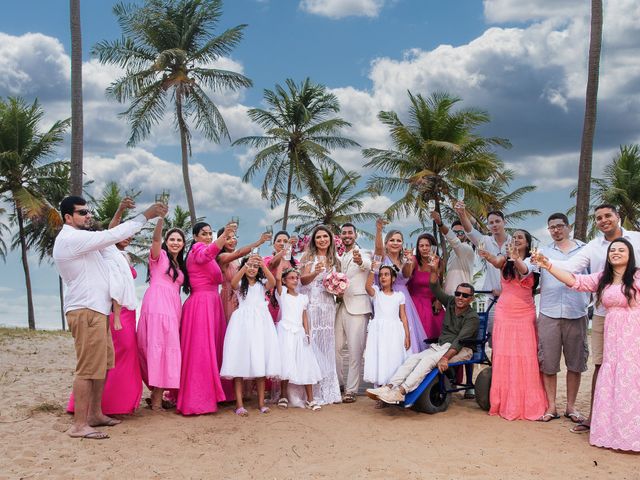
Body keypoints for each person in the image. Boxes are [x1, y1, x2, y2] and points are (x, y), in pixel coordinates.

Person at [53, 195, 166, 439]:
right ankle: (79, 425)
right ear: (68, 217)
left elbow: (109, 238)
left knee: (102, 366)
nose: (88, 215)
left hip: (98, 311)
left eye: (88, 211)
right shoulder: (72, 238)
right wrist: (146, 215)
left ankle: (95, 414)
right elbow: (111, 235)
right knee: (87, 369)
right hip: (85, 310)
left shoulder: (84, 240)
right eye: (82, 212)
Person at [534, 238, 640, 451]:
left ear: (630, 254)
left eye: (621, 250)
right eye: (613, 250)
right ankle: (616, 433)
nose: (616, 253)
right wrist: (548, 266)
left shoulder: (637, 276)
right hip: (613, 334)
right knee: (613, 376)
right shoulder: (603, 278)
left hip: (634, 334)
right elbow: (574, 280)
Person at [549, 204, 640, 433]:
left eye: (608, 215)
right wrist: (545, 263)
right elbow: (572, 272)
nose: (603, 220)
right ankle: (596, 417)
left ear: (618, 216)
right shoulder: (595, 252)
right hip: (604, 316)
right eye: (598, 218)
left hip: (635, 315)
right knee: (603, 366)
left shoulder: (637, 240)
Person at [367, 256, 479, 405]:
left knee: (427, 361)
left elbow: (459, 342)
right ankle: (389, 387)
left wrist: (445, 358)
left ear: (471, 299)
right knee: (413, 359)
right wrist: (433, 270)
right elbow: (434, 288)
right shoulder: (451, 302)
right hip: (441, 346)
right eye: (458, 294)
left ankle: (400, 392)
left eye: (465, 295)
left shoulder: (472, 317)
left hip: (461, 349)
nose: (460, 297)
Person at [67, 199, 143, 416]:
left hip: (129, 310)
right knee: (112, 356)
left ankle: (118, 404)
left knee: (121, 356)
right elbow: (114, 285)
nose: (127, 238)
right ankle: (100, 406)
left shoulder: (121, 256)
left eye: (130, 236)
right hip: (114, 310)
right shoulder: (104, 249)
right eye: (123, 234)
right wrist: (119, 210)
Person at [479, 229, 548, 421]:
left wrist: (516, 258)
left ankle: (527, 403)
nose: (516, 239)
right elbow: (496, 261)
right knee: (503, 354)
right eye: (514, 237)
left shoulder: (533, 260)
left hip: (524, 312)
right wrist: (487, 255)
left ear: (527, 242)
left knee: (526, 354)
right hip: (504, 312)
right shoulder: (505, 260)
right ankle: (504, 401)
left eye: (520, 237)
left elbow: (524, 271)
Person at [177, 222, 236, 415]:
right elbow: (207, 254)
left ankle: (218, 393)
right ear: (194, 237)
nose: (208, 237)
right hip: (201, 304)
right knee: (201, 351)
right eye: (204, 234)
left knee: (214, 348)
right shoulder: (197, 249)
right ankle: (198, 399)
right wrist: (224, 235)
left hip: (212, 304)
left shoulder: (208, 254)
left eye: (210, 234)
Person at [536, 213, 590, 423]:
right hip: (548, 312)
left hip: (577, 311)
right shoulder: (543, 251)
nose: (556, 230)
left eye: (560, 226)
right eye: (552, 227)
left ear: (568, 227)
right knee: (548, 363)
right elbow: (527, 270)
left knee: (575, 363)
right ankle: (551, 407)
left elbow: (596, 277)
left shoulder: (585, 249)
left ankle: (571, 407)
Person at [136, 217, 188, 411]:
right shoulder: (159, 258)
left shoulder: (180, 266)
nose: (175, 242)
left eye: (179, 240)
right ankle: (156, 401)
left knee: (167, 350)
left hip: (173, 308)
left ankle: (158, 397)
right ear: (167, 242)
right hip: (156, 306)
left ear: (183, 245)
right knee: (155, 347)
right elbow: (155, 240)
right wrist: (160, 221)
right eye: (172, 239)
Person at [220, 255, 281, 416]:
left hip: (261, 324)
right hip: (242, 324)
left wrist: (263, 265)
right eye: (249, 266)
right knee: (239, 362)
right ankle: (239, 405)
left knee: (260, 362)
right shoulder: (241, 284)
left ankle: (261, 403)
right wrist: (244, 267)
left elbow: (273, 283)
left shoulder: (261, 285)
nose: (252, 269)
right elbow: (232, 283)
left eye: (255, 266)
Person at [455, 203, 511, 343]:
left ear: (504, 222)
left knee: (511, 336)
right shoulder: (485, 241)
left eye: (497, 221)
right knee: (494, 338)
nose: (494, 225)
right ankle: (496, 365)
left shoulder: (514, 242)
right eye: (491, 223)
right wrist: (462, 213)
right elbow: (469, 230)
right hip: (492, 298)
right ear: (487, 226)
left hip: (513, 298)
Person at [300, 225, 342, 405]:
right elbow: (302, 280)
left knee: (327, 346)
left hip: (328, 305)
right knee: (312, 343)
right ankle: (313, 390)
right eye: (319, 237)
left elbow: (339, 285)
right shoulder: (308, 257)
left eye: (325, 236)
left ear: (330, 239)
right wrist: (315, 272)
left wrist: (338, 289)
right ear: (314, 240)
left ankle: (329, 390)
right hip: (312, 304)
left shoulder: (335, 261)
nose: (322, 240)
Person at [373, 218, 428, 353]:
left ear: (402, 244)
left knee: (406, 330)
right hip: (386, 298)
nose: (395, 243)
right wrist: (379, 230)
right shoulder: (382, 257)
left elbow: (407, 274)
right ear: (386, 243)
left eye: (398, 240)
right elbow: (378, 249)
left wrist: (409, 261)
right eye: (392, 240)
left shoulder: (404, 259)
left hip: (404, 298)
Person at [276, 266, 323, 411]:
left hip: (300, 332)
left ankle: (310, 399)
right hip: (286, 332)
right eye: (291, 278)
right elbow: (277, 278)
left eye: (296, 278)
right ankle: (283, 395)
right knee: (286, 362)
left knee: (305, 362)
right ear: (284, 281)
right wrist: (282, 257)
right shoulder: (282, 293)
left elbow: (304, 317)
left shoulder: (303, 298)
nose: (295, 280)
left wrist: (307, 333)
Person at [363, 265, 410, 407]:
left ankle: (392, 390)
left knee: (393, 359)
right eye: (381, 275)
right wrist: (373, 270)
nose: (383, 277)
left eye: (387, 274)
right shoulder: (376, 292)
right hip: (378, 331)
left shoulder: (399, 296)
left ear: (393, 278)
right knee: (380, 359)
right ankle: (379, 394)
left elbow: (403, 316)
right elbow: (367, 287)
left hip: (395, 330)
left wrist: (407, 335)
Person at [335, 223, 371, 403]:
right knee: (336, 348)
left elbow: (368, 265)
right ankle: (339, 384)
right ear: (340, 236)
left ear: (355, 235)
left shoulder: (362, 252)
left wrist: (360, 261)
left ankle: (351, 390)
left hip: (358, 306)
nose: (347, 235)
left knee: (355, 351)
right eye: (344, 233)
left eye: (350, 232)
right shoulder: (339, 256)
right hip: (340, 306)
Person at [218, 227, 272, 322]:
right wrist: (259, 242)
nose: (232, 240)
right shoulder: (222, 257)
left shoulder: (237, 260)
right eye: (227, 238)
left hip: (241, 296)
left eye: (234, 237)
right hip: (229, 298)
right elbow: (239, 253)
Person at [405, 233, 445, 338]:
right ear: (417, 248)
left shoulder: (439, 262)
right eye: (421, 246)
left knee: (438, 335)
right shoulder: (414, 259)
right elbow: (407, 274)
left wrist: (439, 300)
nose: (424, 248)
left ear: (433, 247)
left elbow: (440, 283)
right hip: (415, 303)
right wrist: (408, 261)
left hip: (433, 303)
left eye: (427, 245)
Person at [430, 212, 475, 295]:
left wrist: (440, 223)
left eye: (461, 232)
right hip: (449, 299)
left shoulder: (467, 249)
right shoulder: (453, 252)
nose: (457, 235)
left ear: (466, 234)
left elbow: (455, 241)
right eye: (454, 232)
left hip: (461, 297)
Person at [264, 230, 298, 321]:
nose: (282, 243)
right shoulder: (268, 259)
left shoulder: (295, 263)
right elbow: (272, 264)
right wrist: (286, 248)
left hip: (290, 301)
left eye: (285, 241)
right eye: (279, 241)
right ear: (273, 244)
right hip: (273, 299)